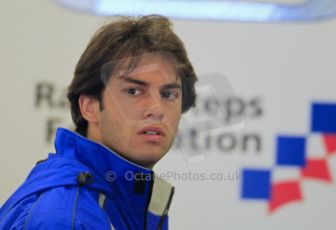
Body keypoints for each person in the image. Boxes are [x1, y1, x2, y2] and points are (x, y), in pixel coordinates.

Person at [0, 15, 197, 230]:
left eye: (168, 94)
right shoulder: (66, 219)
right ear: (90, 107)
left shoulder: (118, 201)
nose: (157, 109)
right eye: (134, 91)